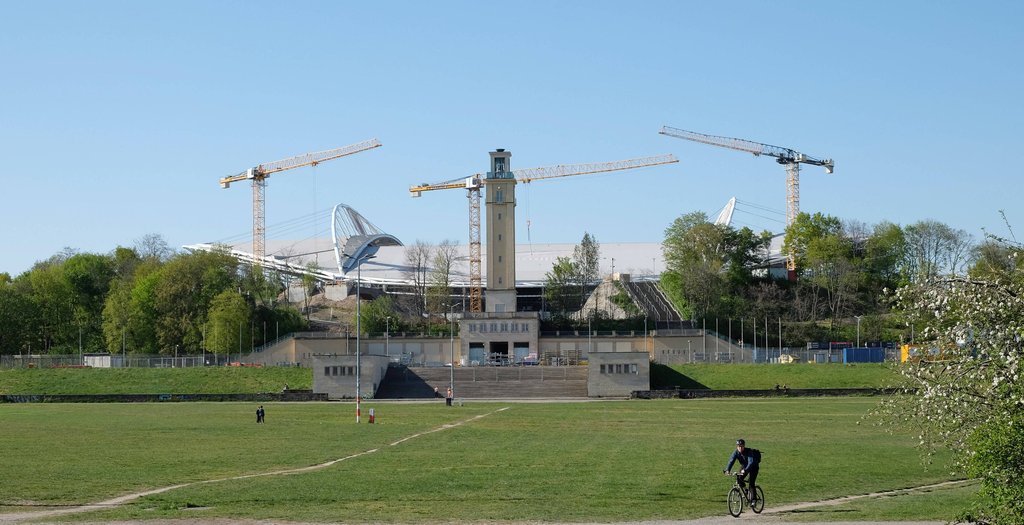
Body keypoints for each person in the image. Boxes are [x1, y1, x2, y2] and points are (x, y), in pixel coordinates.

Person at [724, 439, 761, 506]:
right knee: (739, 478)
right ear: (737, 447)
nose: (740, 448)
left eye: (742, 446)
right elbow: (731, 461)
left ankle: (754, 500)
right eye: (739, 446)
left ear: (744, 446)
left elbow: (751, 462)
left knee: (751, 483)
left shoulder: (749, 451)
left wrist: (745, 470)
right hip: (744, 466)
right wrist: (727, 470)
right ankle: (745, 490)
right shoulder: (736, 452)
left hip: (753, 467)